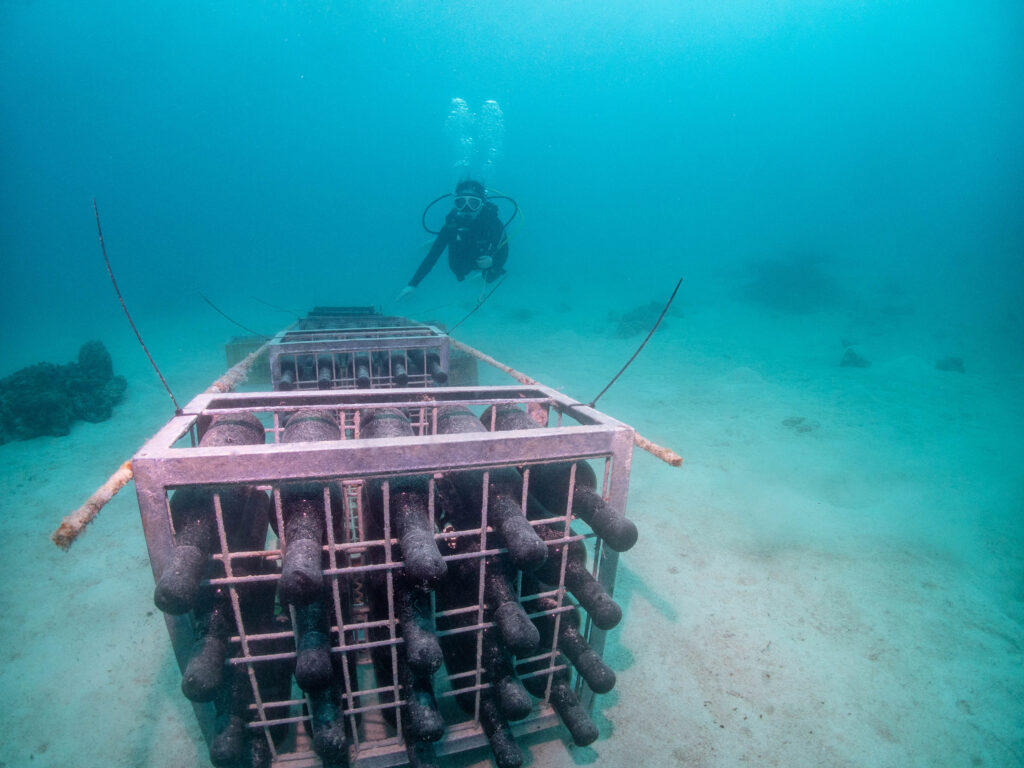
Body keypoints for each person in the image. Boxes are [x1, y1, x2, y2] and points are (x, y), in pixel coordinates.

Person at [396, 179, 508, 302]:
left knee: (493, 275)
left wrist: (493, 262)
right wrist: (412, 285)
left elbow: (504, 251)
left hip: (483, 259)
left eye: (473, 203)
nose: (467, 208)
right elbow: (432, 257)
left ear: (481, 204)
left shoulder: (493, 224)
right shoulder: (451, 226)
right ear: (456, 204)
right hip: (463, 256)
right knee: (457, 269)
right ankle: (441, 239)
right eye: (461, 202)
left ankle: (443, 239)